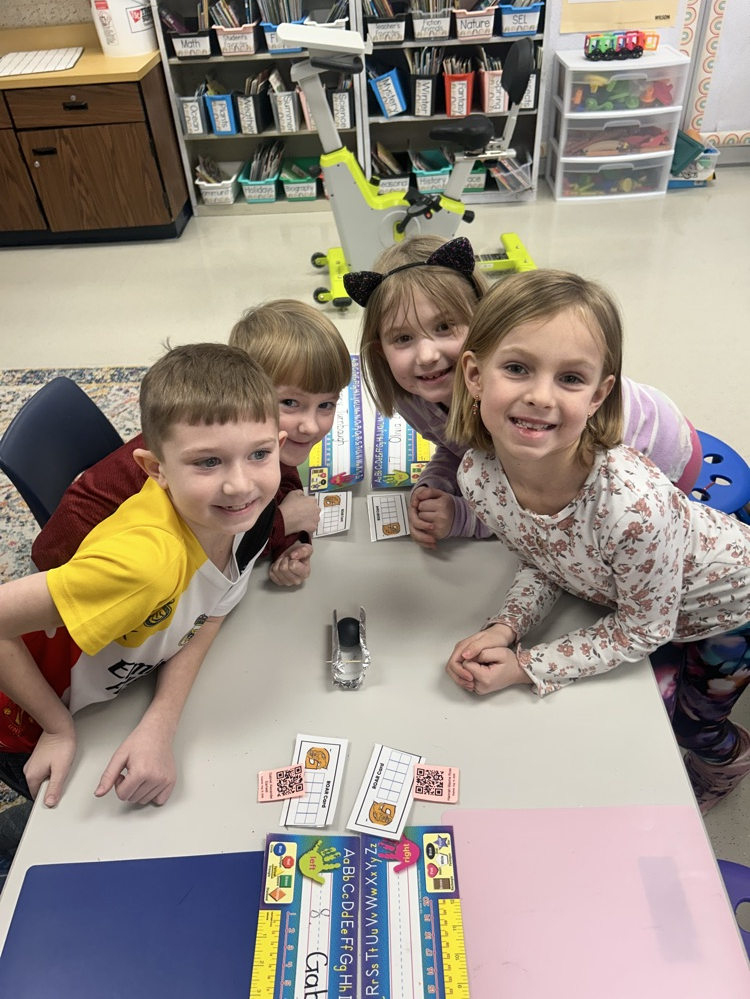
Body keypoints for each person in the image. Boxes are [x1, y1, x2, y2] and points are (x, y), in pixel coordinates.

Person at [442, 269, 750, 813]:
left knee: (692, 725)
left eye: (570, 379)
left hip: (727, 610)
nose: (540, 396)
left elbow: (644, 628)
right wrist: (508, 624)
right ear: (474, 375)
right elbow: (545, 557)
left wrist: (527, 665)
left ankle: (727, 766)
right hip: (644, 599)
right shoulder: (479, 477)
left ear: (599, 395)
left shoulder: (630, 506)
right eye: (516, 368)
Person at [0, 343, 284, 809]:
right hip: (23, 711)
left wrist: (161, 720)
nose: (240, 484)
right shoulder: (144, 564)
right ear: (157, 470)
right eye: (208, 462)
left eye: (259, 454)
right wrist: (55, 727)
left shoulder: (243, 513)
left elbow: (211, 613)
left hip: (107, 696)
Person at [344, 236, 702, 549]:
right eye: (403, 339)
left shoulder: (531, 410)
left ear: (487, 324)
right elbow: (459, 445)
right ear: (380, 352)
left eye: (444, 326)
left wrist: (463, 517)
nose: (426, 355)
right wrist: (434, 482)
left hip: (661, 458)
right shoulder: (415, 397)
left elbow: (547, 510)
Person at [32, 300, 352, 587]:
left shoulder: (243, 432)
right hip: (83, 566)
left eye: (326, 405)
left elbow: (282, 476)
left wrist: (293, 543)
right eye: (291, 403)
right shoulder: (194, 459)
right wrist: (283, 524)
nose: (310, 426)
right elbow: (204, 552)